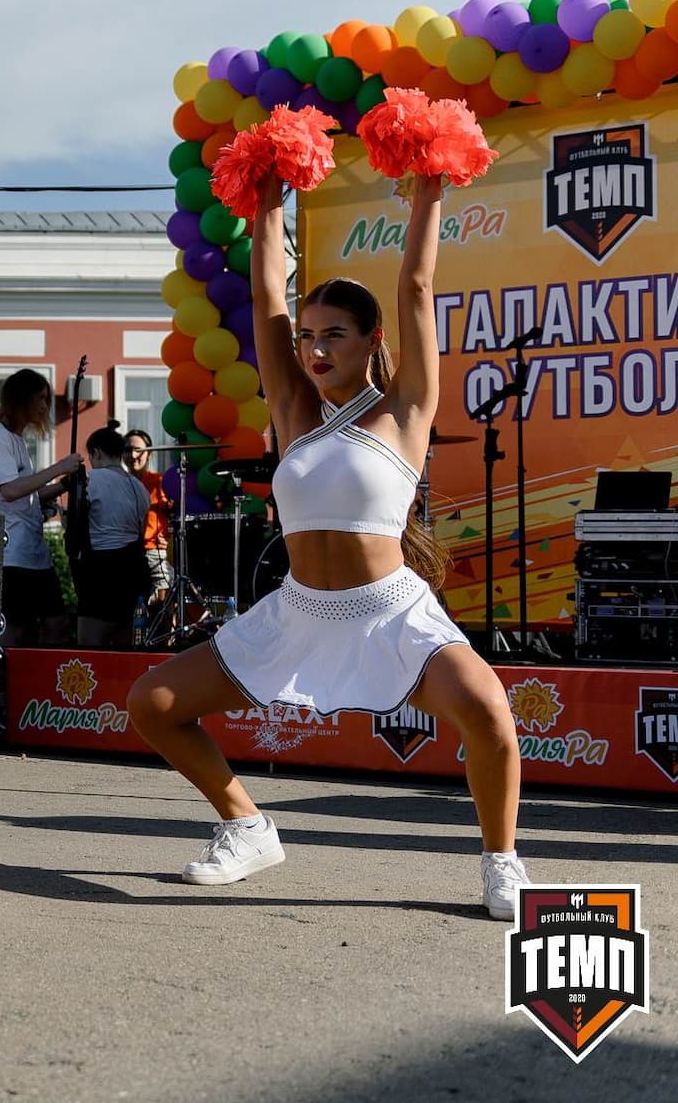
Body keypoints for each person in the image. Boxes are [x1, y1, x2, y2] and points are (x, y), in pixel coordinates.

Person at [127, 172, 527, 919]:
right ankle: (247, 826)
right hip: (301, 612)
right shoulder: (293, 410)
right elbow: (269, 304)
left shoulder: (406, 410)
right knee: (151, 702)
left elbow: (415, 285)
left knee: (489, 713)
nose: (313, 349)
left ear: (372, 339)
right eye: (308, 338)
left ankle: (501, 863)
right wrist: (267, 201)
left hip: (389, 611)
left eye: (332, 334)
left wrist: (430, 193)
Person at [0, 370, 77, 648]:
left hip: (31, 552)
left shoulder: (16, 439)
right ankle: (7, 686)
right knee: (18, 627)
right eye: (41, 398)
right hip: (11, 553)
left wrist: (64, 485)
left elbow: (26, 494)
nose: (45, 406)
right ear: (22, 399)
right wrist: (58, 468)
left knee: (52, 622)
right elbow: (9, 490)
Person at [76, 427, 150, 649]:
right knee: (124, 643)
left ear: (96, 453)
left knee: (89, 642)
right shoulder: (139, 488)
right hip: (134, 566)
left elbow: (76, 524)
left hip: (101, 569)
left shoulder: (91, 479)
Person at [124, 429, 171, 599]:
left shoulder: (160, 481)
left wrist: (168, 538)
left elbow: (175, 512)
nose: (132, 454)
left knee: (162, 602)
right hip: (126, 551)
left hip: (154, 551)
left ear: (149, 453)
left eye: (138, 449)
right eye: (127, 450)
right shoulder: (119, 483)